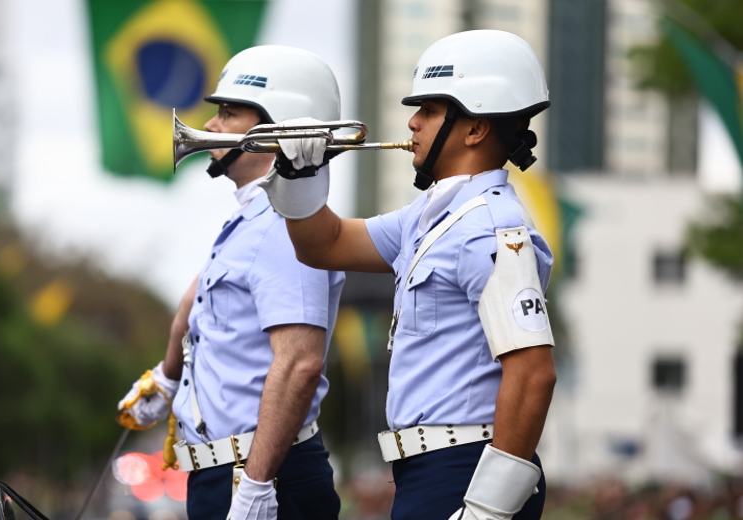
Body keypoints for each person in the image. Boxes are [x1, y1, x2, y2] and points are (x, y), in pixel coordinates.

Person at [258, 30, 558, 520]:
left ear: (475, 128)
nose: (412, 122)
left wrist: (488, 507)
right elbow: (323, 244)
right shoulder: (428, 217)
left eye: (430, 109)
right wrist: (300, 175)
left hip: (466, 470)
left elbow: (533, 374)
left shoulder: (491, 228)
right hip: (432, 468)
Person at [117, 45, 345, 520]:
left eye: (227, 113)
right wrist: (167, 375)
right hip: (234, 472)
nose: (212, 126)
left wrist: (257, 486)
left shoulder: (284, 223)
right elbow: (195, 298)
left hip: (261, 473)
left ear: (277, 124)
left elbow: (300, 363)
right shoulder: (252, 218)